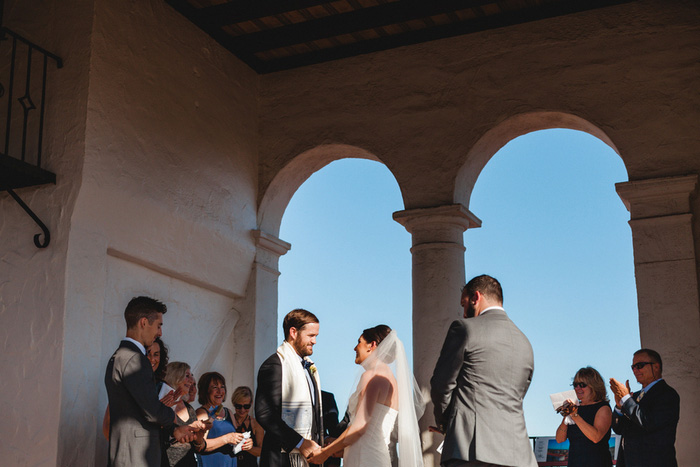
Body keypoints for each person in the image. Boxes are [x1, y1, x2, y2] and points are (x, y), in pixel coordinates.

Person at [430, 275, 537, 467]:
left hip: (471, 450)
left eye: (464, 305)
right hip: (519, 454)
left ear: (475, 297)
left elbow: (441, 385)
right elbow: (518, 395)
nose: (463, 313)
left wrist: (447, 424)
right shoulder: (525, 342)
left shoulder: (464, 329)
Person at [104, 296, 202, 466]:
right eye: (158, 326)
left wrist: (174, 430)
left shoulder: (118, 356)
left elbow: (140, 410)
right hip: (136, 457)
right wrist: (171, 416)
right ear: (143, 322)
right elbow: (151, 410)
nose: (160, 333)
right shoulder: (135, 359)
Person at [308, 325, 424, 467]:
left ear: (372, 345)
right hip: (375, 456)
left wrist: (325, 453)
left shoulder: (372, 376)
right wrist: (341, 449)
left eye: (359, 342)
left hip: (364, 458)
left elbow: (360, 426)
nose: (355, 348)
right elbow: (370, 432)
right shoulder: (391, 381)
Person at [255, 308, 323, 467]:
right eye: (311, 336)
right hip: (281, 459)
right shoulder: (275, 365)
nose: (314, 341)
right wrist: (300, 443)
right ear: (293, 332)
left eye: (316, 336)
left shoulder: (308, 367)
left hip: (308, 458)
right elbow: (265, 413)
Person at [609, 348, 680, 467]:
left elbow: (648, 421)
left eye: (640, 365)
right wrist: (619, 406)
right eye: (633, 367)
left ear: (656, 367)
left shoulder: (667, 394)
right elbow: (619, 429)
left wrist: (626, 399)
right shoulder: (634, 397)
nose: (635, 370)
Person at [102, 337, 178, 440]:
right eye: (147, 354)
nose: (152, 359)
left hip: (157, 451)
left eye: (156, 354)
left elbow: (173, 432)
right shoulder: (127, 383)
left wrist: (163, 413)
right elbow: (107, 427)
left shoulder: (165, 389)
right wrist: (156, 411)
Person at [554, 367, 612, 467]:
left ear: (594, 386)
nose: (577, 388)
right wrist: (565, 417)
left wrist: (575, 416)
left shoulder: (603, 407)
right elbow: (559, 439)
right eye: (575, 385)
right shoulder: (574, 408)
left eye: (582, 385)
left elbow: (596, 437)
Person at [196, 371, 252, 466]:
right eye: (215, 387)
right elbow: (200, 445)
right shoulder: (202, 413)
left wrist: (246, 442)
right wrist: (226, 439)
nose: (220, 391)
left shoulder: (228, 412)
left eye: (222, 387)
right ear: (205, 391)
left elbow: (235, 437)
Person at [161, 362, 208, 467]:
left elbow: (198, 446)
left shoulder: (189, 408)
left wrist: (199, 436)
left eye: (191, 376)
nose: (191, 381)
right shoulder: (162, 403)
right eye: (187, 376)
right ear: (175, 377)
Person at [230, 386, 265, 467]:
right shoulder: (228, 421)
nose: (242, 410)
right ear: (234, 403)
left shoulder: (255, 424)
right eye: (238, 406)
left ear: (251, 404)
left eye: (246, 406)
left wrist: (250, 448)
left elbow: (262, 451)